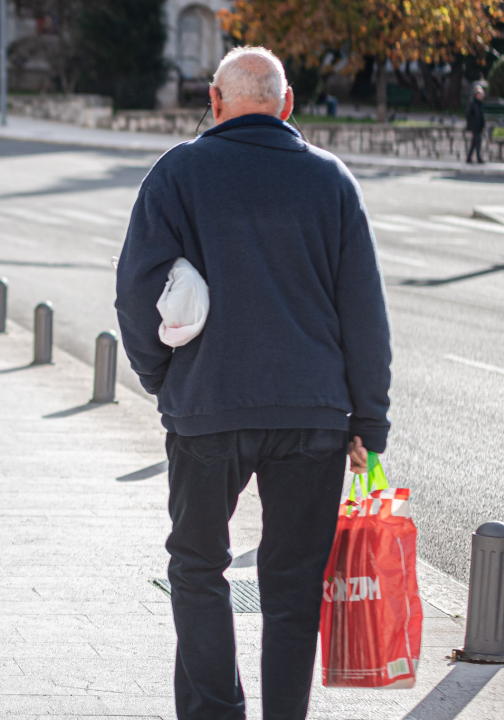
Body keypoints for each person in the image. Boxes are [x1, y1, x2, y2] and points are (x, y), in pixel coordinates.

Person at [115, 46, 391, 720]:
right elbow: (363, 312)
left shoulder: (177, 173)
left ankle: (215, 711)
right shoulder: (330, 181)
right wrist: (368, 423)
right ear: (287, 104)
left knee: (196, 568)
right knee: (294, 589)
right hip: (314, 414)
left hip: (207, 409)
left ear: (213, 102)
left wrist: (166, 382)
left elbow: (133, 293)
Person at [466, 85, 486, 164]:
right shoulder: (473, 104)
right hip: (475, 126)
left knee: (474, 143)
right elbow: (469, 116)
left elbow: (481, 116)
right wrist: (473, 124)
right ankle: (478, 158)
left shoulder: (480, 104)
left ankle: (469, 157)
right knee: (478, 142)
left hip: (479, 126)